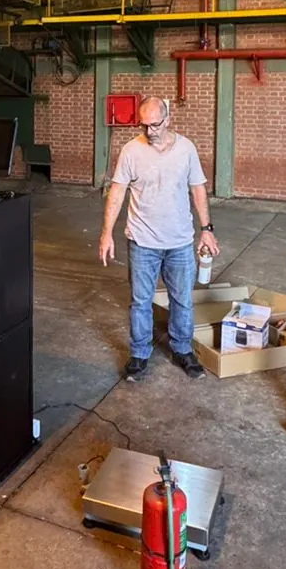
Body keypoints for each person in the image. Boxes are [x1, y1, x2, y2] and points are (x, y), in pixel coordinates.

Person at [98, 96, 219, 380]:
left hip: (179, 241)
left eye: (155, 124)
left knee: (182, 300)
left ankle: (182, 349)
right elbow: (117, 191)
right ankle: (139, 354)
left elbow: (198, 189)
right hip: (142, 241)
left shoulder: (186, 149)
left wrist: (207, 228)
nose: (150, 131)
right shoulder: (131, 150)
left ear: (168, 120)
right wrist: (106, 233)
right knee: (140, 301)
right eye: (144, 125)